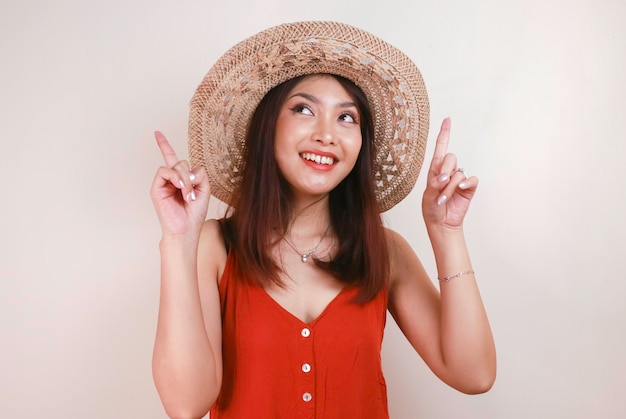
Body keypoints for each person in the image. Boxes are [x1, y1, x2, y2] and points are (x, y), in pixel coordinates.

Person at [150, 21, 496, 419]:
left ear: (361, 144)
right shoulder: (216, 245)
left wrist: (446, 231)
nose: (326, 134)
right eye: (303, 109)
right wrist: (178, 240)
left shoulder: (386, 252)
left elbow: (475, 374)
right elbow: (185, 404)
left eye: (346, 118)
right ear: (268, 126)